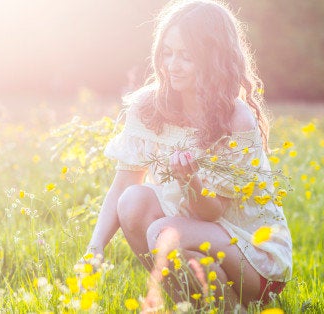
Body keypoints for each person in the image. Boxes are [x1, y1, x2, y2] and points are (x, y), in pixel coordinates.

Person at [84, 0, 292, 311]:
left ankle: (237, 307)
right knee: (133, 201)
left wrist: (191, 180)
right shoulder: (148, 107)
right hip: (187, 235)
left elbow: (211, 212)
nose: (172, 65)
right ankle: (197, 306)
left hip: (252, 257)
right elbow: (121, 187)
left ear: (214, 59)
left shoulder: (235, 118)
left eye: (187, 56)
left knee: (162, 232)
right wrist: (95, 247)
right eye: (167, 53)